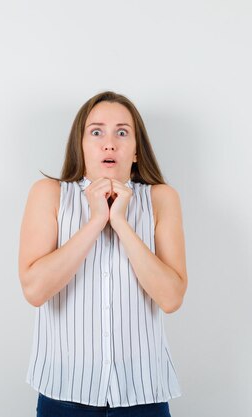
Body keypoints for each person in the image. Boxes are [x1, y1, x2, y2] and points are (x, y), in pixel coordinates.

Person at [18, 91, 188, 417]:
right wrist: (96, 220)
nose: (109, 143)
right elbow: (35, 290)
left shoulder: (162, 199)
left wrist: (121, 222)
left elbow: (171, 297)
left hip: (143, 395)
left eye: (122, 132)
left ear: (137, 151)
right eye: (96, 132)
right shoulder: (49, 195)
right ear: (81, 146)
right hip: (64, 393)